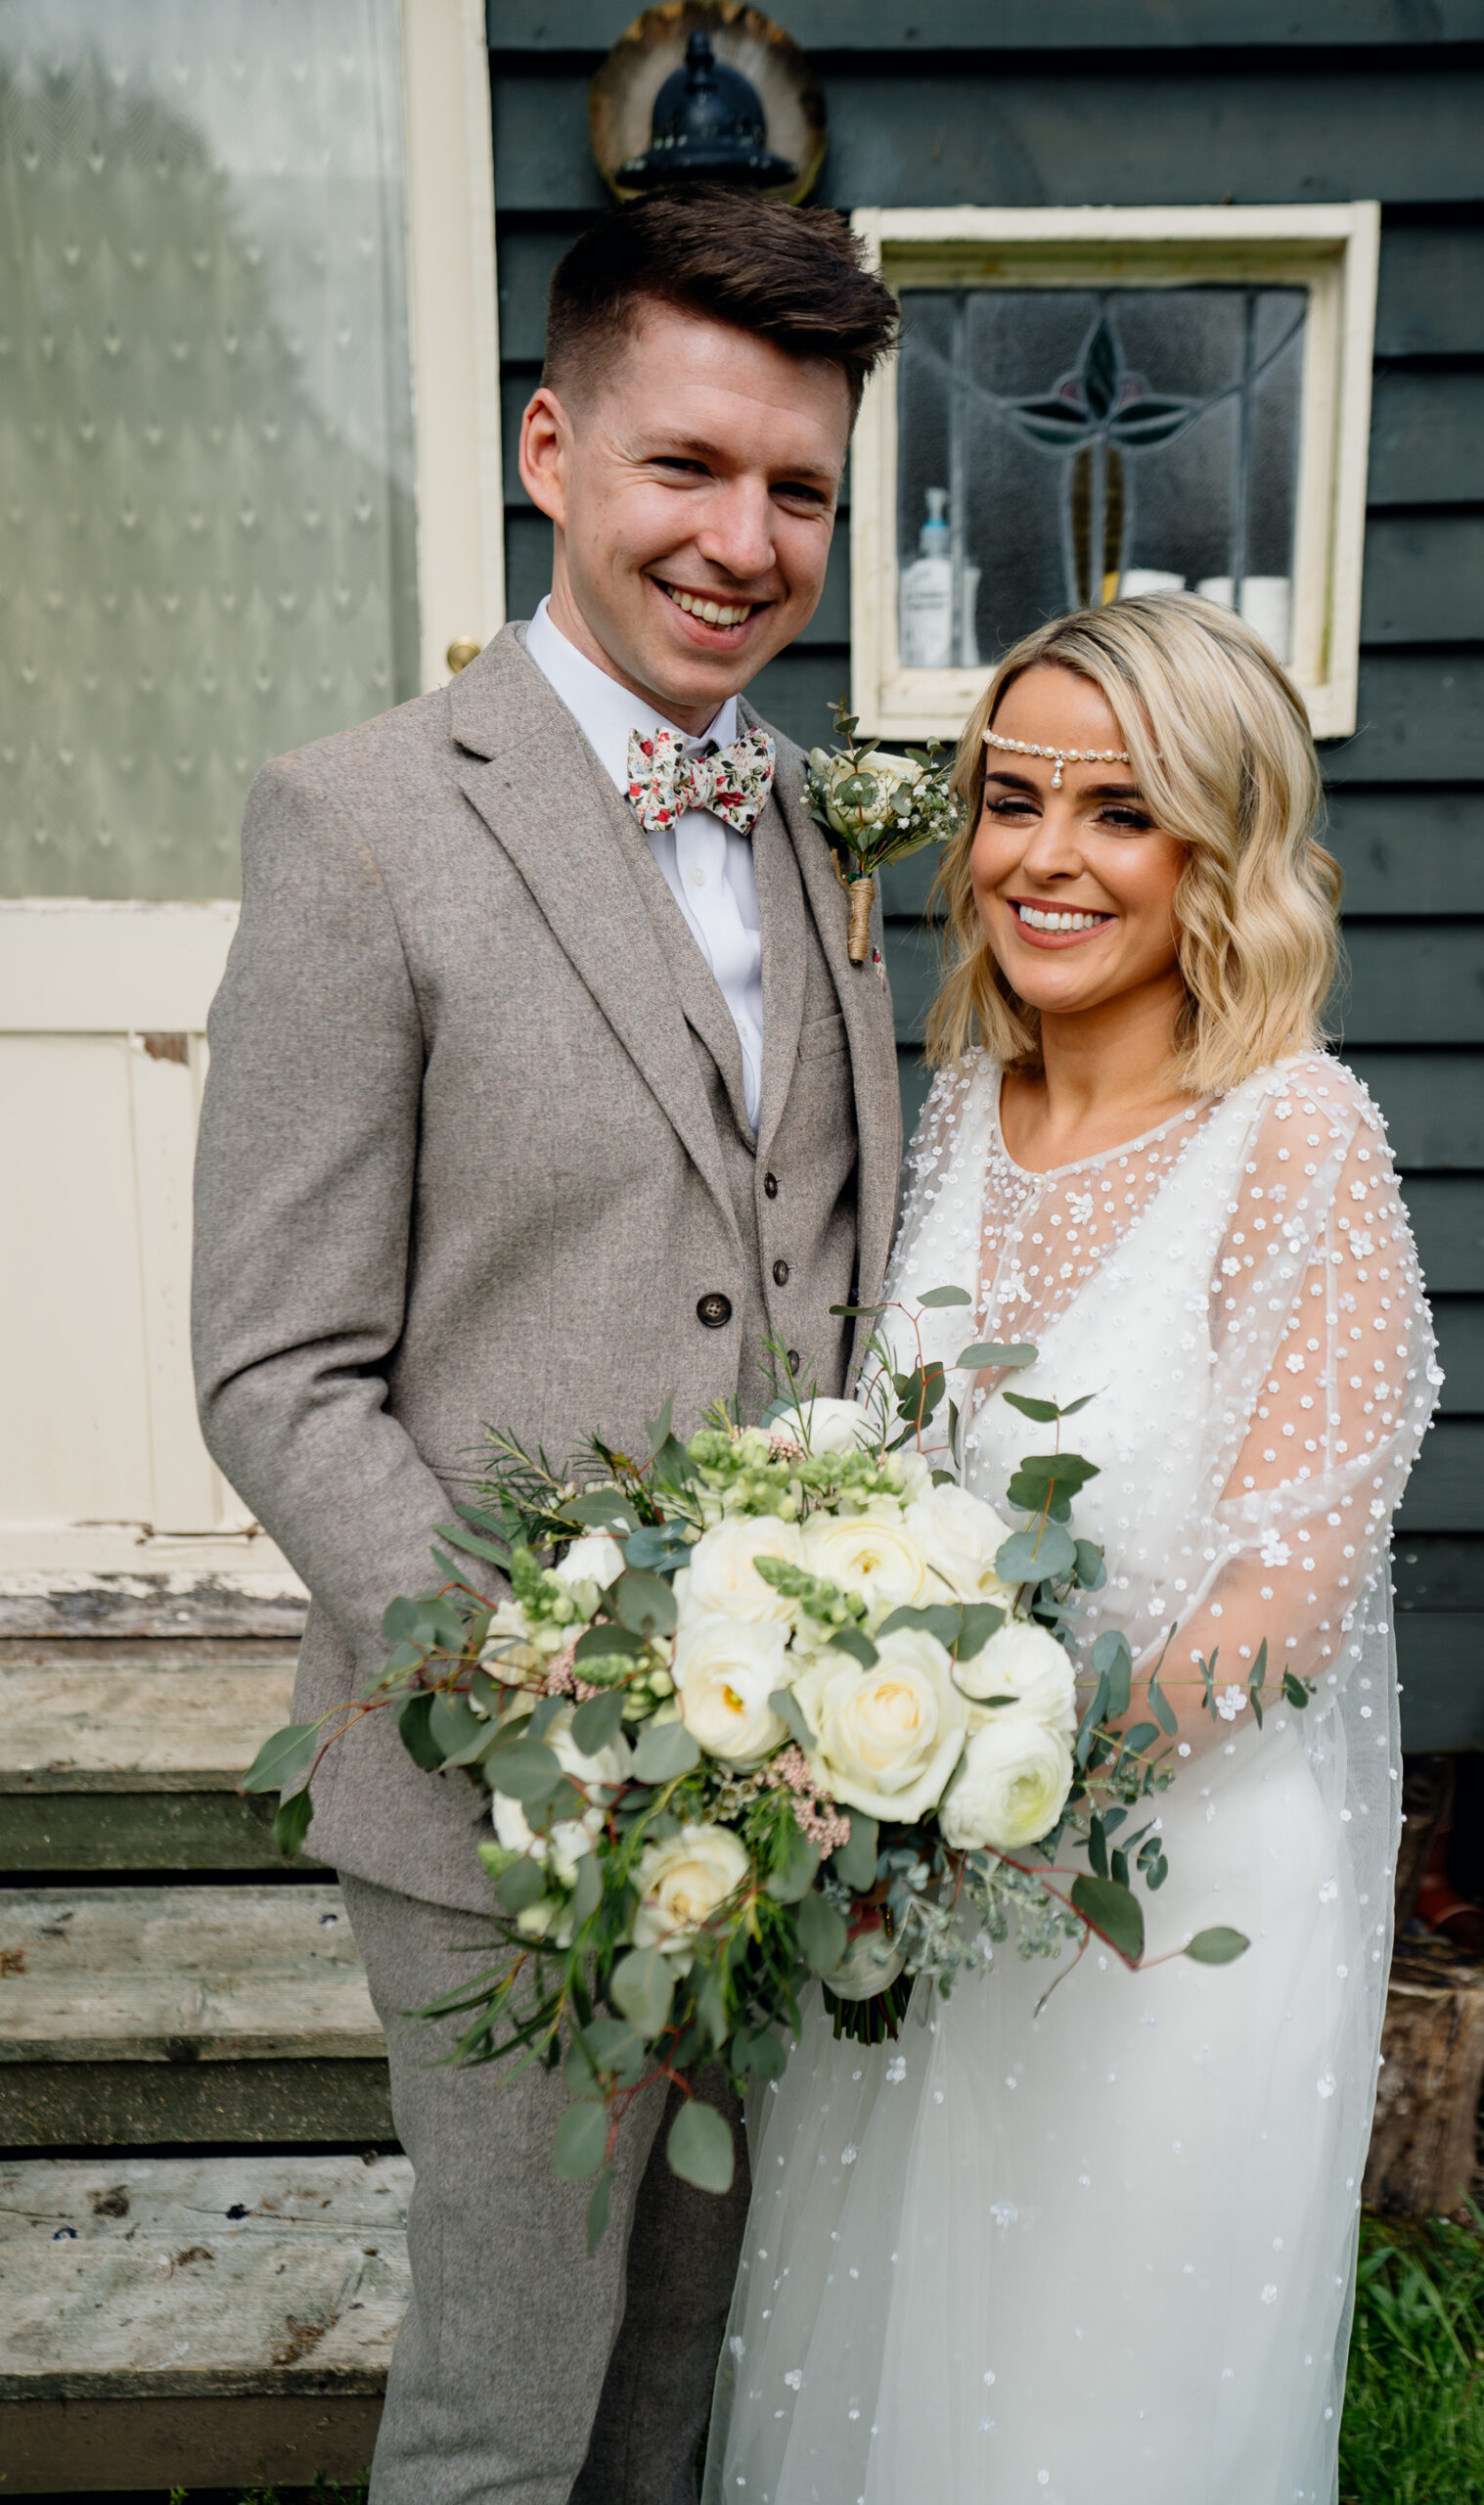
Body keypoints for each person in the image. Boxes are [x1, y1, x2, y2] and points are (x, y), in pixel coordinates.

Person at [190, 187, 900, 2505]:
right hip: (504, 1804)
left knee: (678, 2378)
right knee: (508, 2405)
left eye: (794, 486)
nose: (740, 537)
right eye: (684, 465)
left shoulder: (819, 824)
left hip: (783, 1781)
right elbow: (277, 1364)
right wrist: (545, 1690)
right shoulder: (363, 823)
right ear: (549, 446)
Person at [704, 595, 1441, 2505]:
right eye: (1008, 796)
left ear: (1220, 844)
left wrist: (992, 1785)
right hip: (911, 1875)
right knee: (879, 2384)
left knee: (1076, 2418)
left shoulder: (1297, 1142)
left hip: (1152, 1899)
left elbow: (1287, 1594)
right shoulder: (957, 1106)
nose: (1041, 854)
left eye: (1116, 810)